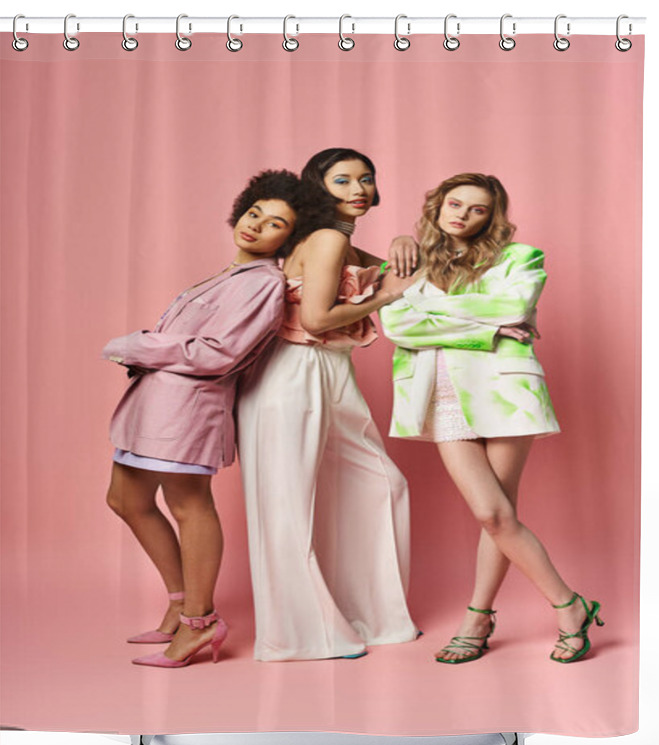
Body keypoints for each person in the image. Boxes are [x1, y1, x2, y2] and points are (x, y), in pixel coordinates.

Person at [103, 169, 334, 668]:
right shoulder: (230, 274)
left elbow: (218, 353)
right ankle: (179, 603)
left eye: (274, 224)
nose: (255, 226)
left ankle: (199, 624)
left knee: (189, 507)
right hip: (153, 405)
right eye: (254, 213)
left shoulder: (263, 284)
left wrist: (138, 343)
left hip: (187, 410)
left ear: (288, 239)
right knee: (125, 499)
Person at [379, 173, 604, 664]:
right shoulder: (411, 260)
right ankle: (572, 606)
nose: (461, 214)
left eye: (477, 209)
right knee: (494, 514)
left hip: (506, 392)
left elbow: (513, 305)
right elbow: (396, 323)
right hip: (439, 396)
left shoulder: (521, 257)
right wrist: (486, 326)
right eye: (454, 203)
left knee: (495, 516)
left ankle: (483, 619)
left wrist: (441, 318)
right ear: (437, 205)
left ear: (492, 217)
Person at [237, 148, 418, 661]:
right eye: (343, 180)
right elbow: (316, 319)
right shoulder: (326, 238)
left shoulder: (343, 244)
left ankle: (370, 616)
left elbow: (409, 270)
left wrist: (406, 241)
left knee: (382, 483)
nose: (358, 188)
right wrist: (381, 300)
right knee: (287, 503)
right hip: (293, 371)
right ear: (319, 186)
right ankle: (301, 635)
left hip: (330, 371)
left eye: (366, 178)